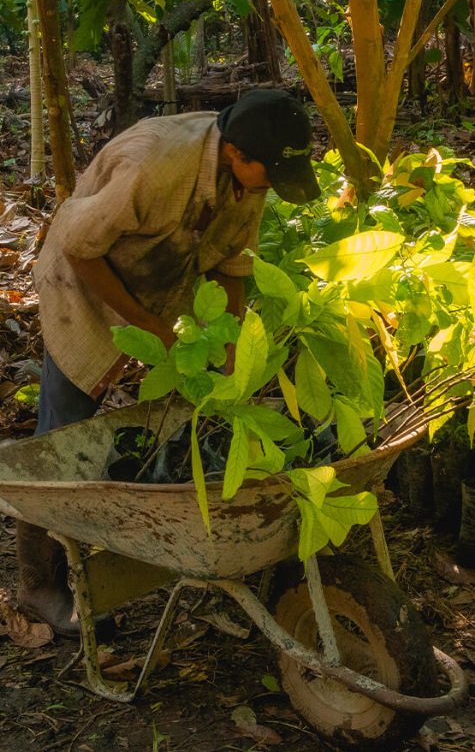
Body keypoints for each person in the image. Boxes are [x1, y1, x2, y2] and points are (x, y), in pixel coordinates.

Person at [21, 88, 320, 636]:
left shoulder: (248, 173)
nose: (273, 188)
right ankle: (40, 583)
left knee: (180, 418)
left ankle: (150, 539)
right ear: (237, 154)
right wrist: (151, 330)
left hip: (162, 280)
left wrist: (228, 347)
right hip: (82, 286)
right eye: (270, 175)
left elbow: (232, 263)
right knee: (64, 433)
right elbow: (78, 246)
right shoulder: (155, 167)